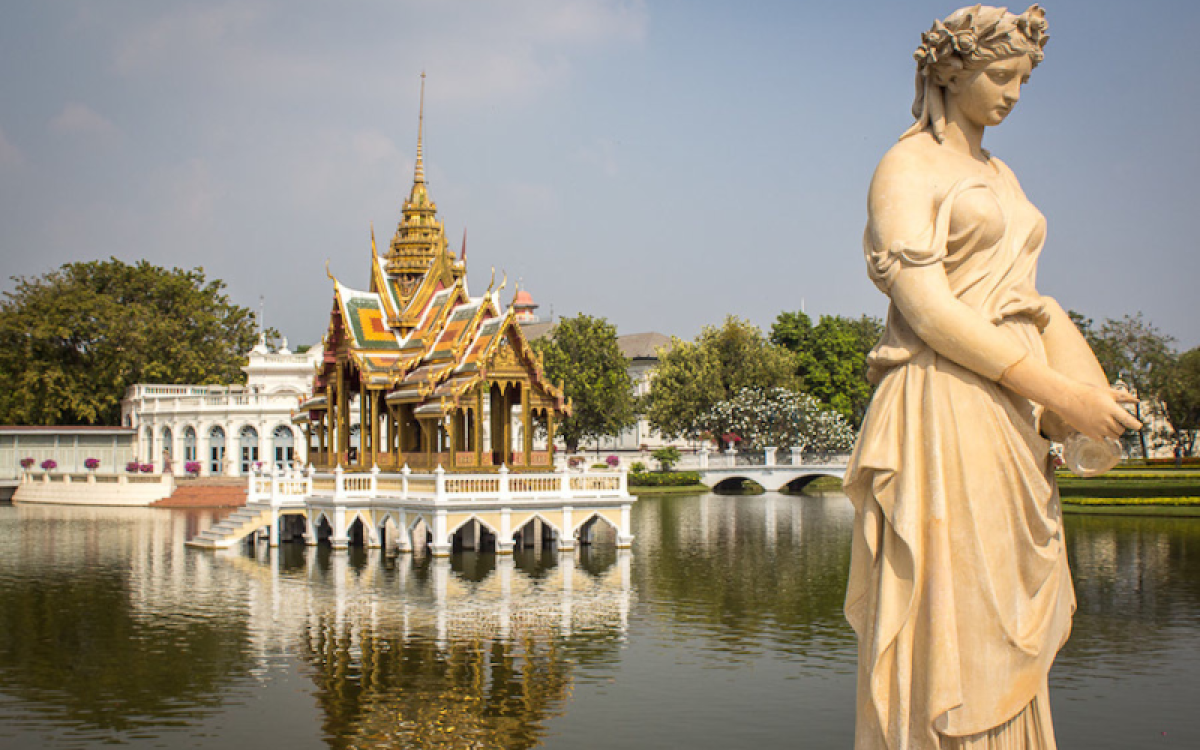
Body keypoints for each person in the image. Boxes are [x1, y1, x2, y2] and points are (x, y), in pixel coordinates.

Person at [843, 6, 1142, 749]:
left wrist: (1064, 361)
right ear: (952, 71)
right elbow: (928, 310)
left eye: (1023, 80)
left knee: (1003, 617)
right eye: (1000, 75)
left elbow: (1022, 296)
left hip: (1009, 413)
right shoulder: (905, 167)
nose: (1012, 93)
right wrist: (1061, 392)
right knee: (954, 611)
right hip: (941, 405)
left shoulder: (1000, 172)